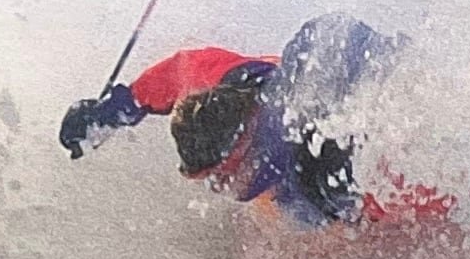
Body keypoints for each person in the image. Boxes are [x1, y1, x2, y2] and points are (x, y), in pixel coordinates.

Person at [58, 15, 389, 223]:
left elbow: (400, 210)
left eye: (221, 176)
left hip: (366, 111)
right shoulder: (226, 87)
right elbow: (174, 74)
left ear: (245, 149)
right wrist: (107, 114)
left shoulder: (321, 171)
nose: (217, 187)